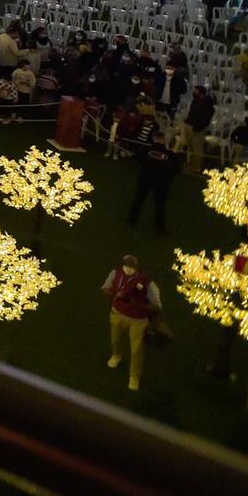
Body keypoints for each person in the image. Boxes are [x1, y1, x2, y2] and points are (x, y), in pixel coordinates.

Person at [102, 254, 161, 392]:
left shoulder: (148, 283)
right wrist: (114, 293)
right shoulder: (115, 273)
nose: (128, 269)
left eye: (131, 266)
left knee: (136, 350)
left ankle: (134, 376)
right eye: (126, 265)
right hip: (117, 313)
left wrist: (138, 305)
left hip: (138, 320)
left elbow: (157, 306)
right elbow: (104, 288)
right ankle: (116, 355)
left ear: (137, 268)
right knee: (115, 339)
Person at [126, 131, 178, 232]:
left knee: (139, 199)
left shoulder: (145, 149)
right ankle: (160, 227)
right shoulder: (170, 154)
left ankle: (131, 219)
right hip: (162, 181)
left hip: (146, 177)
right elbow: (177, 168)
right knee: (160, 204)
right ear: (163, 140)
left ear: (154, 138)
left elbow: (137, 158)